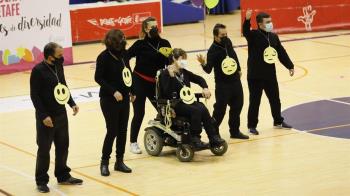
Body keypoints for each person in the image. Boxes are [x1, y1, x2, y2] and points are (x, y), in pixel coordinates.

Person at [30, 42, 83, 193]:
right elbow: (35, 96)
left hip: (61, 114)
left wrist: (71, 103)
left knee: (63, 146)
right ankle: (41, 180)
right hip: (46, 117)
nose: (62, 57)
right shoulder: (38, 71)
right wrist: (43, 115)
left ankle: (63, 175)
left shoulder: (59, 66)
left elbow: (63, 87)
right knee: (44, 149)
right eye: (59, 55)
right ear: (49, 56)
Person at [160, 48, 226, 148]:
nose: (184, 61)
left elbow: (199, 79)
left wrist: (205, 88)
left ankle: (213, 137)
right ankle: (195, 138)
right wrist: (172, 76)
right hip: (174, 104)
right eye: (183, 59)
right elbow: (167, 91)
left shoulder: (184, 72)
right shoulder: (165, 73)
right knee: (195, 111)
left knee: (202, 108)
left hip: (187, 101)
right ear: (174, 59)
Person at [243, 9, 294, 135]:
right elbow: (245, 32)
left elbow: (281, 52)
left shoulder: (273, 36)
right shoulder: (253, 35)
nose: (271, 23)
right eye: (268, 22)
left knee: (275, 99)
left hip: (270, 75)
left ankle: (278, 121)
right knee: (255, 102)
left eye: (271, 21)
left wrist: (289, 66)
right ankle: (252, 125)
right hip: (255, 76)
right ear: (260, 24)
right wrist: (247, 20)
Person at [197, 23, 249, 140]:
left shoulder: (228, 42)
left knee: (237, 106)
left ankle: (234, 131)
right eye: (222, 35)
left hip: (235, 81)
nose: (225, 37)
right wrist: (203, 63)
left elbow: (233, 55)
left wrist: (239, 69)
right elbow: (208, 70)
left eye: (226, 34)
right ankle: (214, 132)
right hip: (222, 85)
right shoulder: (212, 51)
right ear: (215, 36)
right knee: (220, 110)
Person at [127, 17, 171, 154]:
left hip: (155, 83)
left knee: (164, 111)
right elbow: (125, 57)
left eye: (156, 26)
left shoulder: (165, 43)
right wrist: (129, 74)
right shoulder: (140, 44)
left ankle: (167, 136)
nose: (155, 28)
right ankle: (133, 142)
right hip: (139, 81)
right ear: (145, 29)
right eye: (152, 27)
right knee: (139, 113)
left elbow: (169, 63)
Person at [95, 29, 136, 176]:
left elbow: (128, 73)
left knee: (123, 130)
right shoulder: (103, 57)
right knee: (112, 131)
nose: (122, 44)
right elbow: (98, 78)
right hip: (108, 99)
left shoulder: (124, 54)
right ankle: (104, 162)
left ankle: (119, 161)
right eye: (120, 42)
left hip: (124, 97)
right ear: (112, 43)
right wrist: (113, 91)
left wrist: (132, 90)